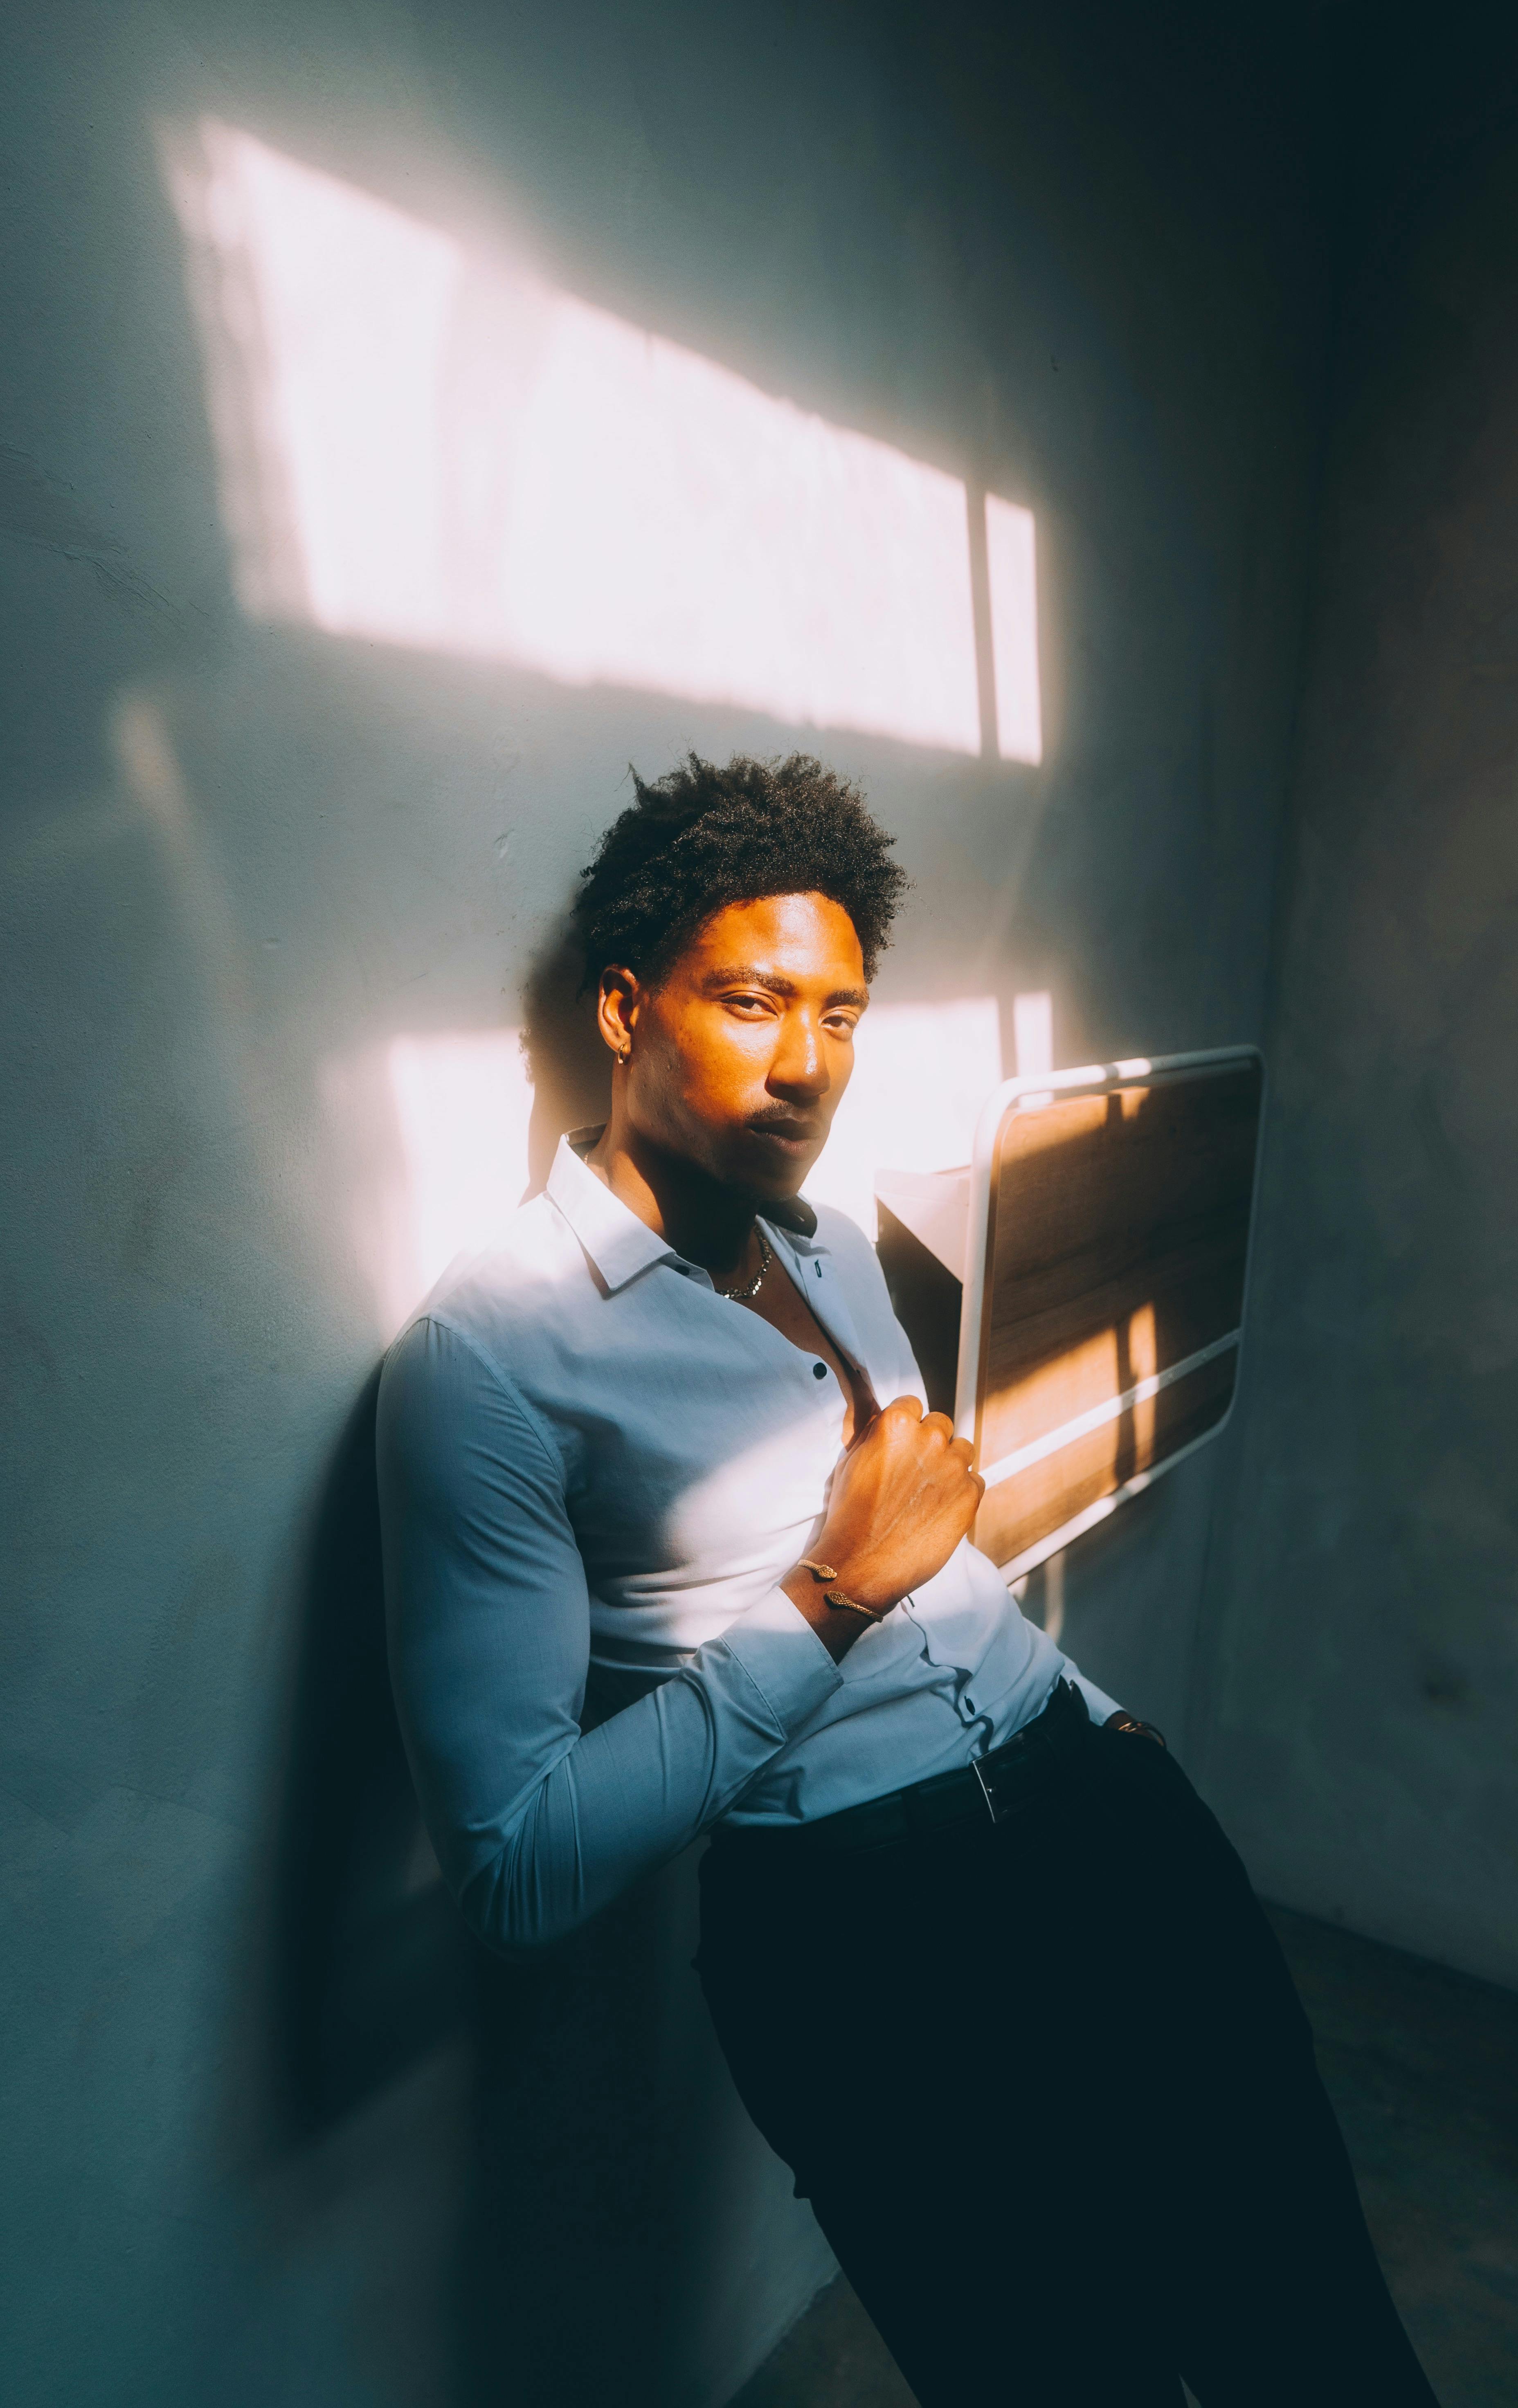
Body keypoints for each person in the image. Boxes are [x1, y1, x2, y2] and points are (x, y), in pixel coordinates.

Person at [378, 751, 1439, 2406]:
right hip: (868, 1944)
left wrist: (1094, 1721)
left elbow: (937, 1550)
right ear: (622, 1005)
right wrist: (830, 1598)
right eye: (748, 1000)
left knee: (1313, 2326)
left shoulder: (827, 1238)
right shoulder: (490, 1354)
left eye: (841, 1014)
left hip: (1111, 1829)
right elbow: (515, 1865)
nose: (804, 1066)